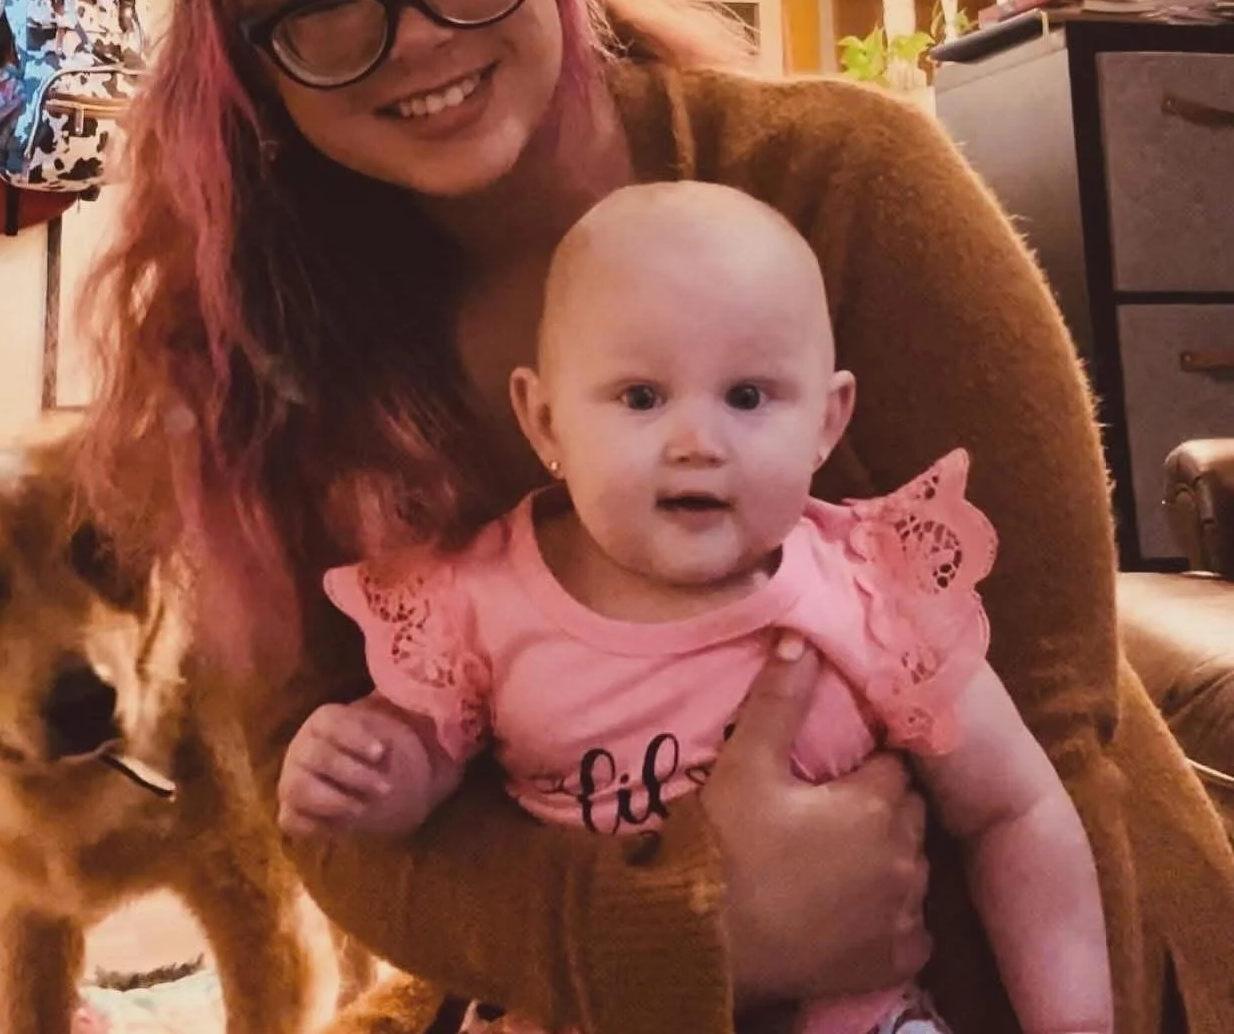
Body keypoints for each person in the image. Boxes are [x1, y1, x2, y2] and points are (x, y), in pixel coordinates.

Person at [80, 0, 1234, 1034]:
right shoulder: (270, 360)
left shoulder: (845, 185)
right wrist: (695, 923)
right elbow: (332, 816)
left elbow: (1051, 723)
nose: (420, 32)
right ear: (251, 56)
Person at [276, 182, 1114, 1034]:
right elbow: (419, 764)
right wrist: (368, 772)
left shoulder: (871, 590)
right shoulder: (482, 596)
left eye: (748, 397)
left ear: (827, 423)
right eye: (640, 397)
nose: (696, 442)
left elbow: (1015, 809)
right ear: (545, 421)